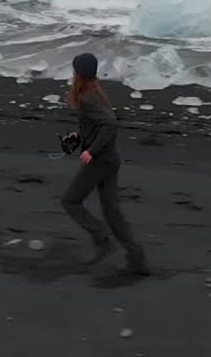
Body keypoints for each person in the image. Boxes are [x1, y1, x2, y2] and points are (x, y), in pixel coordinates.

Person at [61, 53, 149, 276]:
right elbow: (97, 125)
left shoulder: (89, 97)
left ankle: (103, 239)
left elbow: (110, 125)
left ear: (78, 73)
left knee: (70, 201)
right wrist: (78, 138)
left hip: (101, 161)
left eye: (74, 70)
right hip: (110, 159)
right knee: (112, 212)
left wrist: (91, 151)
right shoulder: (94, 91)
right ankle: (137, 259)